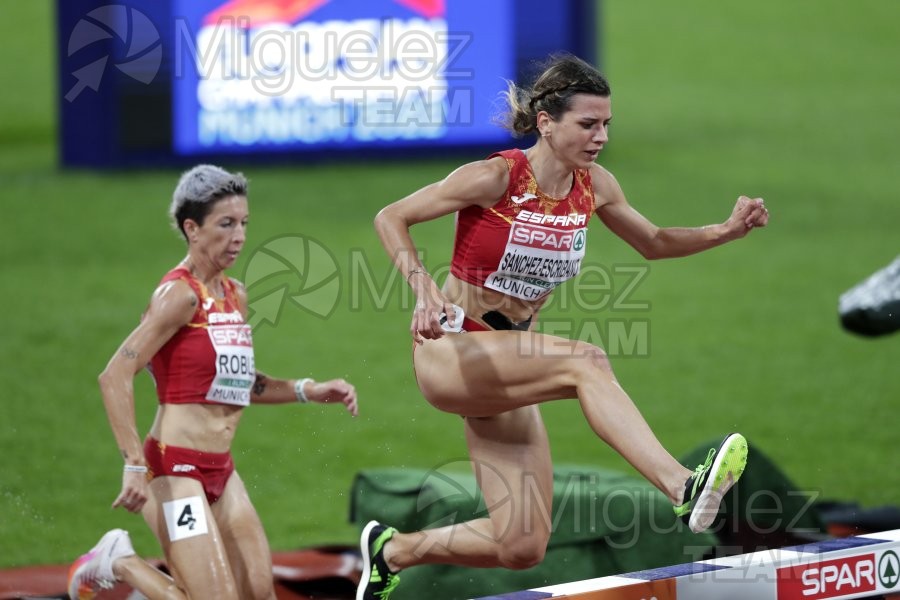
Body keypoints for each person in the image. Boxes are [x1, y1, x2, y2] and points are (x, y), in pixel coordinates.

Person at [357, 53, 768, 599]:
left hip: (508, 361)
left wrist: (725, 230)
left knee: (521, 545)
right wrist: (423, 287)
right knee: (586, 360)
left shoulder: (594, 185)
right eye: (587, 124)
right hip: (452, 351)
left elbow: (654, 242)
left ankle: (390, 552)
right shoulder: (494, 176)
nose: (600, 136)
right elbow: (392, 215)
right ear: (546, 123)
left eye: (606, 125)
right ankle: (681, 485)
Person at [67, 165, 359, 600]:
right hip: (173, 468)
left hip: (221, 470)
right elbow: (114, 374)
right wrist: (132, 463)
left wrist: (306, 389)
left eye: (243, 223)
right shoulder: (178, 296)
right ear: (192, 228)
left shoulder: (233, 294)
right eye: (226, 224)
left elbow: (236, 383)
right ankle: (117, 559)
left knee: (259, 594)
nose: (239, 235)